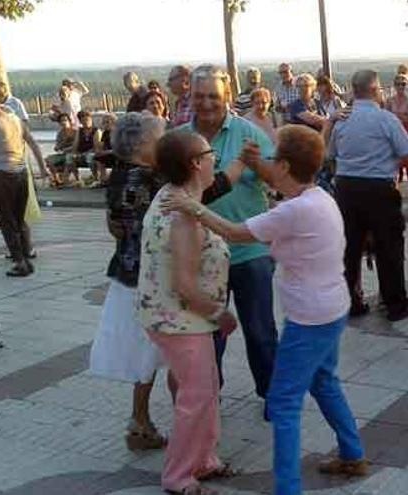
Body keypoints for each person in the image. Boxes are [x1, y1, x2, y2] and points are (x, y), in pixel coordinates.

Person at [162, 125, 369, 494]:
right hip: (332, 308)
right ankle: (352, 453)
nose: (269, 164)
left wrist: (193, 206)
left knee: (283, 402)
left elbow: (235, 232)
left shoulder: (296, 210)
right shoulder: (319, 198)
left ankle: (287, 488)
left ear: (285, 167)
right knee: (324, 381)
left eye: (273, 160)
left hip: (310, 318)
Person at [137, 129, 239, 495]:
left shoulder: (176, 197)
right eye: (211, 153)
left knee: (206, 388)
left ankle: (204, 459)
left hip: (182, 318)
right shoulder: (183, 215)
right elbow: (183, 283)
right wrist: (219, 313)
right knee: (195, 397)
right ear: (196, 163)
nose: (216, 158)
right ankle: (178, 476)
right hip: (181, 320)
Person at [181, 65, 280, 406]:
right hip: (201, 255)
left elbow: (277, 179)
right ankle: (209, 398)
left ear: (226, 97)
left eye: (213, 96)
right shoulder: (180, 138)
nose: (206, 103)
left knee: (260, 331)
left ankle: (272, 397)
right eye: (199, 96)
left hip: (249, 252)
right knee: (208, 334)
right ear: (188, 96)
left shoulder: (248, 133)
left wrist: (258, 164)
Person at [89, 112, 169, 451]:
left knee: (146, 349)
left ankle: (141, 419)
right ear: (141, 144)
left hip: (126, 271)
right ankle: (143, 421)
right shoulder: (149, 180)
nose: (163, 143)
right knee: (154, 349)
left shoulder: (119, 176)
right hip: (150, 278)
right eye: (159, 138)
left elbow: (115, 224)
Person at [329, 69, 408, 321]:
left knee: (349, 247)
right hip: (379, 188)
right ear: (374, 90)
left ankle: (350, 302)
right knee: (389, 247)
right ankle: (395, 304)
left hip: (346, 188)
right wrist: (386, 159)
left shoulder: (342, 119)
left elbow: (332, 153)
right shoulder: (386, 119)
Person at [0, 77, 45, 277]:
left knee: (6, 220)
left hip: (0, 175)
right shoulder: (13, 118)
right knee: (19, 217)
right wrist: (42, 168)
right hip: (21, 172)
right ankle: (25, 254)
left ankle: (20, 262)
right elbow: (31, 142)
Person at [70, 110, 103, 185]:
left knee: (89, 157)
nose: (85, 122)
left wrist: (85, 153)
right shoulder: (80, 131)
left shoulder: (96, 131)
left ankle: (96, 177)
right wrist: (74, 153)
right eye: (83, 120)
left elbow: (96, 146)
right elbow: (75, 144)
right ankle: (78, 179)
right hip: (81, 152)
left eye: (87, 120)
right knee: (70, 157)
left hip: (93, 152)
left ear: (91, 120)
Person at [46, 112, 77, 187]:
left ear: (70, 121)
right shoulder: (60, 133)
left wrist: (67, 149)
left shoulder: (75, 132)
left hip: (73, 154)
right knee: (49, 160)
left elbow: (77, 146)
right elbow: (56, 148)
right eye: (61, 121)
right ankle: (57, 179)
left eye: (65, 120)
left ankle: (65, 179)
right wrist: (64, 141)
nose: (64, 122)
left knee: (68, 158)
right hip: (63, 154)